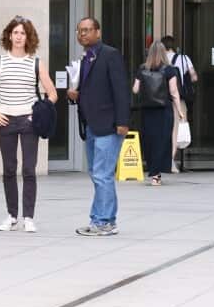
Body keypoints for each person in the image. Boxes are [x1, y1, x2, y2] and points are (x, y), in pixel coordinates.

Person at [0, 16, 56, 233]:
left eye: (23, 33)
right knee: (9, 169)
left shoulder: (36, 63)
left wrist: (37, 113)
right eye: (16, 32)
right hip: (5, 120)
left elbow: (52, 93)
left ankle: (28, 217)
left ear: (28, 37)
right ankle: (11, 216)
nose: (19, 37)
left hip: (28, 121)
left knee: (29, 169)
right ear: (9, 35)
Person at [69, 17, 130, 237]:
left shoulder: (110, 55)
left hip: (109, 125)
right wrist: (74, 95)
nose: (82, 34)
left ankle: (104, 222)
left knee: (103, 174)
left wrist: (123, 122)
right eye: (79, 31)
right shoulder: (85, 58)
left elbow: (121, 89)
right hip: (92, 125)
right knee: (97, 173)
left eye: (87, 30)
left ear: (98, 32)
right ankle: (101, 219)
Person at [133, 41, 183, 187]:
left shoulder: (142, 69)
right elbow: (174, 92)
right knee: (162, 141)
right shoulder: (170, 70)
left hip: (147, 110)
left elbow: (135, 89)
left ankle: (154, 173)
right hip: (164, 110)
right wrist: (179, 110)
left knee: (150, 141)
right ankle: (157, 174)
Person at [162, 34, 198, 172]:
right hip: (177, 99)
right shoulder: (183, 58)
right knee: (175, 130)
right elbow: (194, 76)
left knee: (163, 130)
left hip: (161, 100)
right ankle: (170, 161)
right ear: (173, 46)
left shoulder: (158, 60)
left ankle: (162, 159)